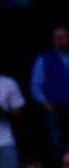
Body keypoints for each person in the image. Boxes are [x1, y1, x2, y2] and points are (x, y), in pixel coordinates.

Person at [30, 25, 69, 157]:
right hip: (54, 109)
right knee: (57, 144)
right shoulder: (44, 58)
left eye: (63, 36)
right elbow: (36, 85)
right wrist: (45, 103)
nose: (60, 40)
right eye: (57, 37)